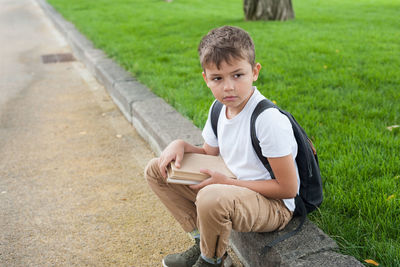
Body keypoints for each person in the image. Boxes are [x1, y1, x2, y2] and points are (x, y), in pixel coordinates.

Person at [144, 25, 299, 267]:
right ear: (206, 79)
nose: (228, 87)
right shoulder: (219, 109)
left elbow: (288, 188)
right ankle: (202, 243)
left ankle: (212, 260)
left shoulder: (267, 119)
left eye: (237, 75)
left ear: (255, 72)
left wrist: (228, 184)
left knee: (210, 196)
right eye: (218, 78)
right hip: (230, 188)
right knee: (158, 169)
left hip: (273, 206)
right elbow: (209, 154)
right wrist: (180, 144)